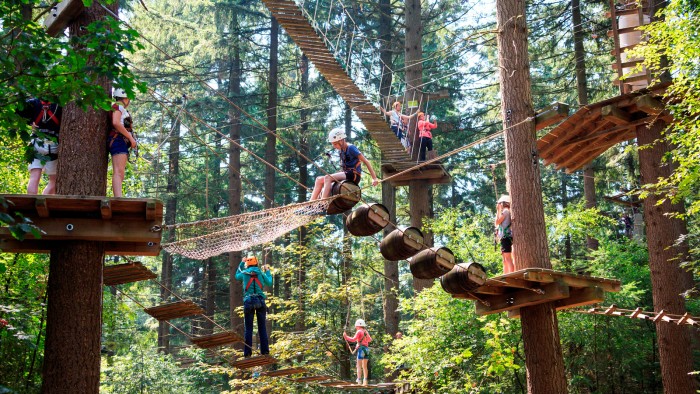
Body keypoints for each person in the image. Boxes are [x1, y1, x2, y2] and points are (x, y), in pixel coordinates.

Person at [309, 128, 379, 201]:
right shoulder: (341, 151)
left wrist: (374, 178)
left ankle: (323, 202)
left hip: (354, 174)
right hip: (347, 173)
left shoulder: (351, 148)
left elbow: (366, 161)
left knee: (328, 177)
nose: (334, 146)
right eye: (333, 144)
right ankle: (311, 203)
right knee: (319, 179)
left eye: (335, 144)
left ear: (341, 140)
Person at [20, 98, 62, 194]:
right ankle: (43, 202)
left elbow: (18, 110)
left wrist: (31, 123)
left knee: (34, 177)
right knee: (53, 181)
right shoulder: (60, 104)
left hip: (36, 142)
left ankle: (32, 204)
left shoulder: (33, 102)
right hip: (54, 145)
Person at [235, 255, 273, 358]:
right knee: (262, 328)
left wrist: (242, 263)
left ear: (248, 264)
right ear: (257, 263)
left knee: (248, 329)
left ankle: (247, 353)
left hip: (249, 301)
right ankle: (264, 351)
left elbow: (236, 275)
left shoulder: (244, 273)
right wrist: (267, 271)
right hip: (260, 301)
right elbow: (270, 282)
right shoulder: (261, 273)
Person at [108, 88, 137, 197]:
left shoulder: (118, 107)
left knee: (120, 172)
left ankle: (118, 197)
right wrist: (130, 138)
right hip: (118, 140)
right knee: (119, 172)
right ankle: (118, 198)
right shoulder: (118, 106)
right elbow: (116, 122)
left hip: (118, 141)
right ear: (125, 97)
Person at [343, 318, 372, 386]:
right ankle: (365, 380)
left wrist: (345, 336)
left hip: (361, 349)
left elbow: (353, 339)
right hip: (366, 350)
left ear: (358, 325)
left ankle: (359, 380)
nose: (355, 327)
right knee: (364, 366)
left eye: (356, 326)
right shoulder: (365, 331)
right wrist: (364, 340)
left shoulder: (359, 331)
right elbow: (370, 340)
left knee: (358, 365)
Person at [495, 195, 514, 274]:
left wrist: (498, 211)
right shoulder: (506, 211)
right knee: (505, 259)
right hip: (504, 237)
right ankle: (505, 274)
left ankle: (511, 274)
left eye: (500, 204)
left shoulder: (506, 211)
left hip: (506, 237)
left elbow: (497, 222)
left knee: (508, 258)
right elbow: (496, 224)